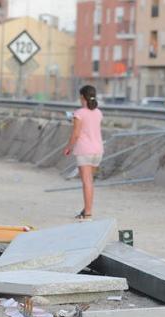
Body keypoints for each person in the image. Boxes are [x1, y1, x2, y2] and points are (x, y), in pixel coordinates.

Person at [63, 85, 104, 221]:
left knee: (86, 182)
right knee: (90, 182)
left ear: (82, 97)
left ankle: (88, 214)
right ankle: (86, 210)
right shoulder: (98, 112)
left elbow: (76, 134)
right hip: (98, 150)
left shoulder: (79, 113)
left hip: (84, 150)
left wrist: (68, 147)